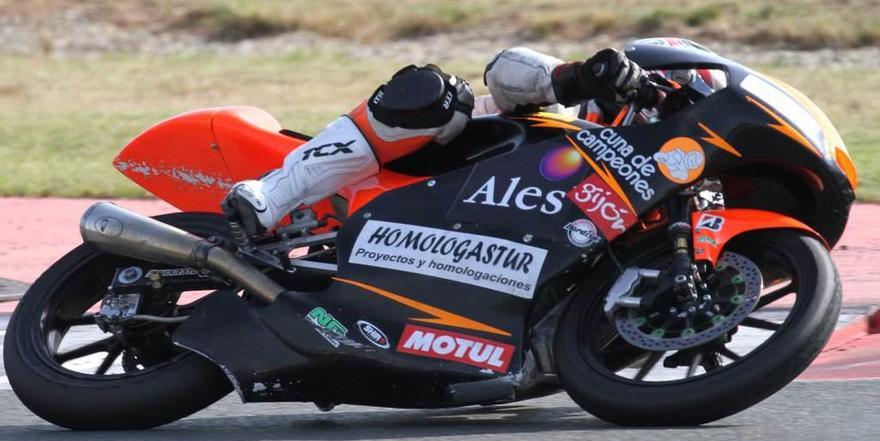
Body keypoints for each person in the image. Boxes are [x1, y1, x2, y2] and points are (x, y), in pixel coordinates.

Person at [221, 46, 656, 236]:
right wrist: (578, 77)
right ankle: (274, 192)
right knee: (440, 94)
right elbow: (505, 70)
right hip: (416, 181)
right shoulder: (560, 115)